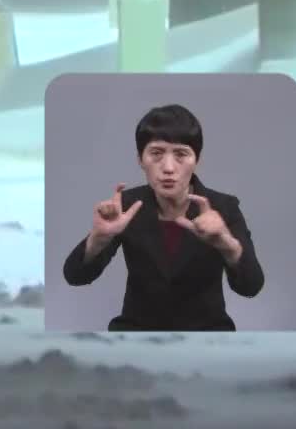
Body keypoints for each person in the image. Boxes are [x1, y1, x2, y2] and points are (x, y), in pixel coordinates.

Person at [62, 103, 265, 330]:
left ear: (196, 160)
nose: (168, 167)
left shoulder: (223, 207)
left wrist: (227, 244)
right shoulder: (127, 206)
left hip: (206, 337)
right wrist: (98, 239)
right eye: (156, 153)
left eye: (181, 154)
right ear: (140, 159)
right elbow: (74, 276)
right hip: (136, 336)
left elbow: (251, 287)